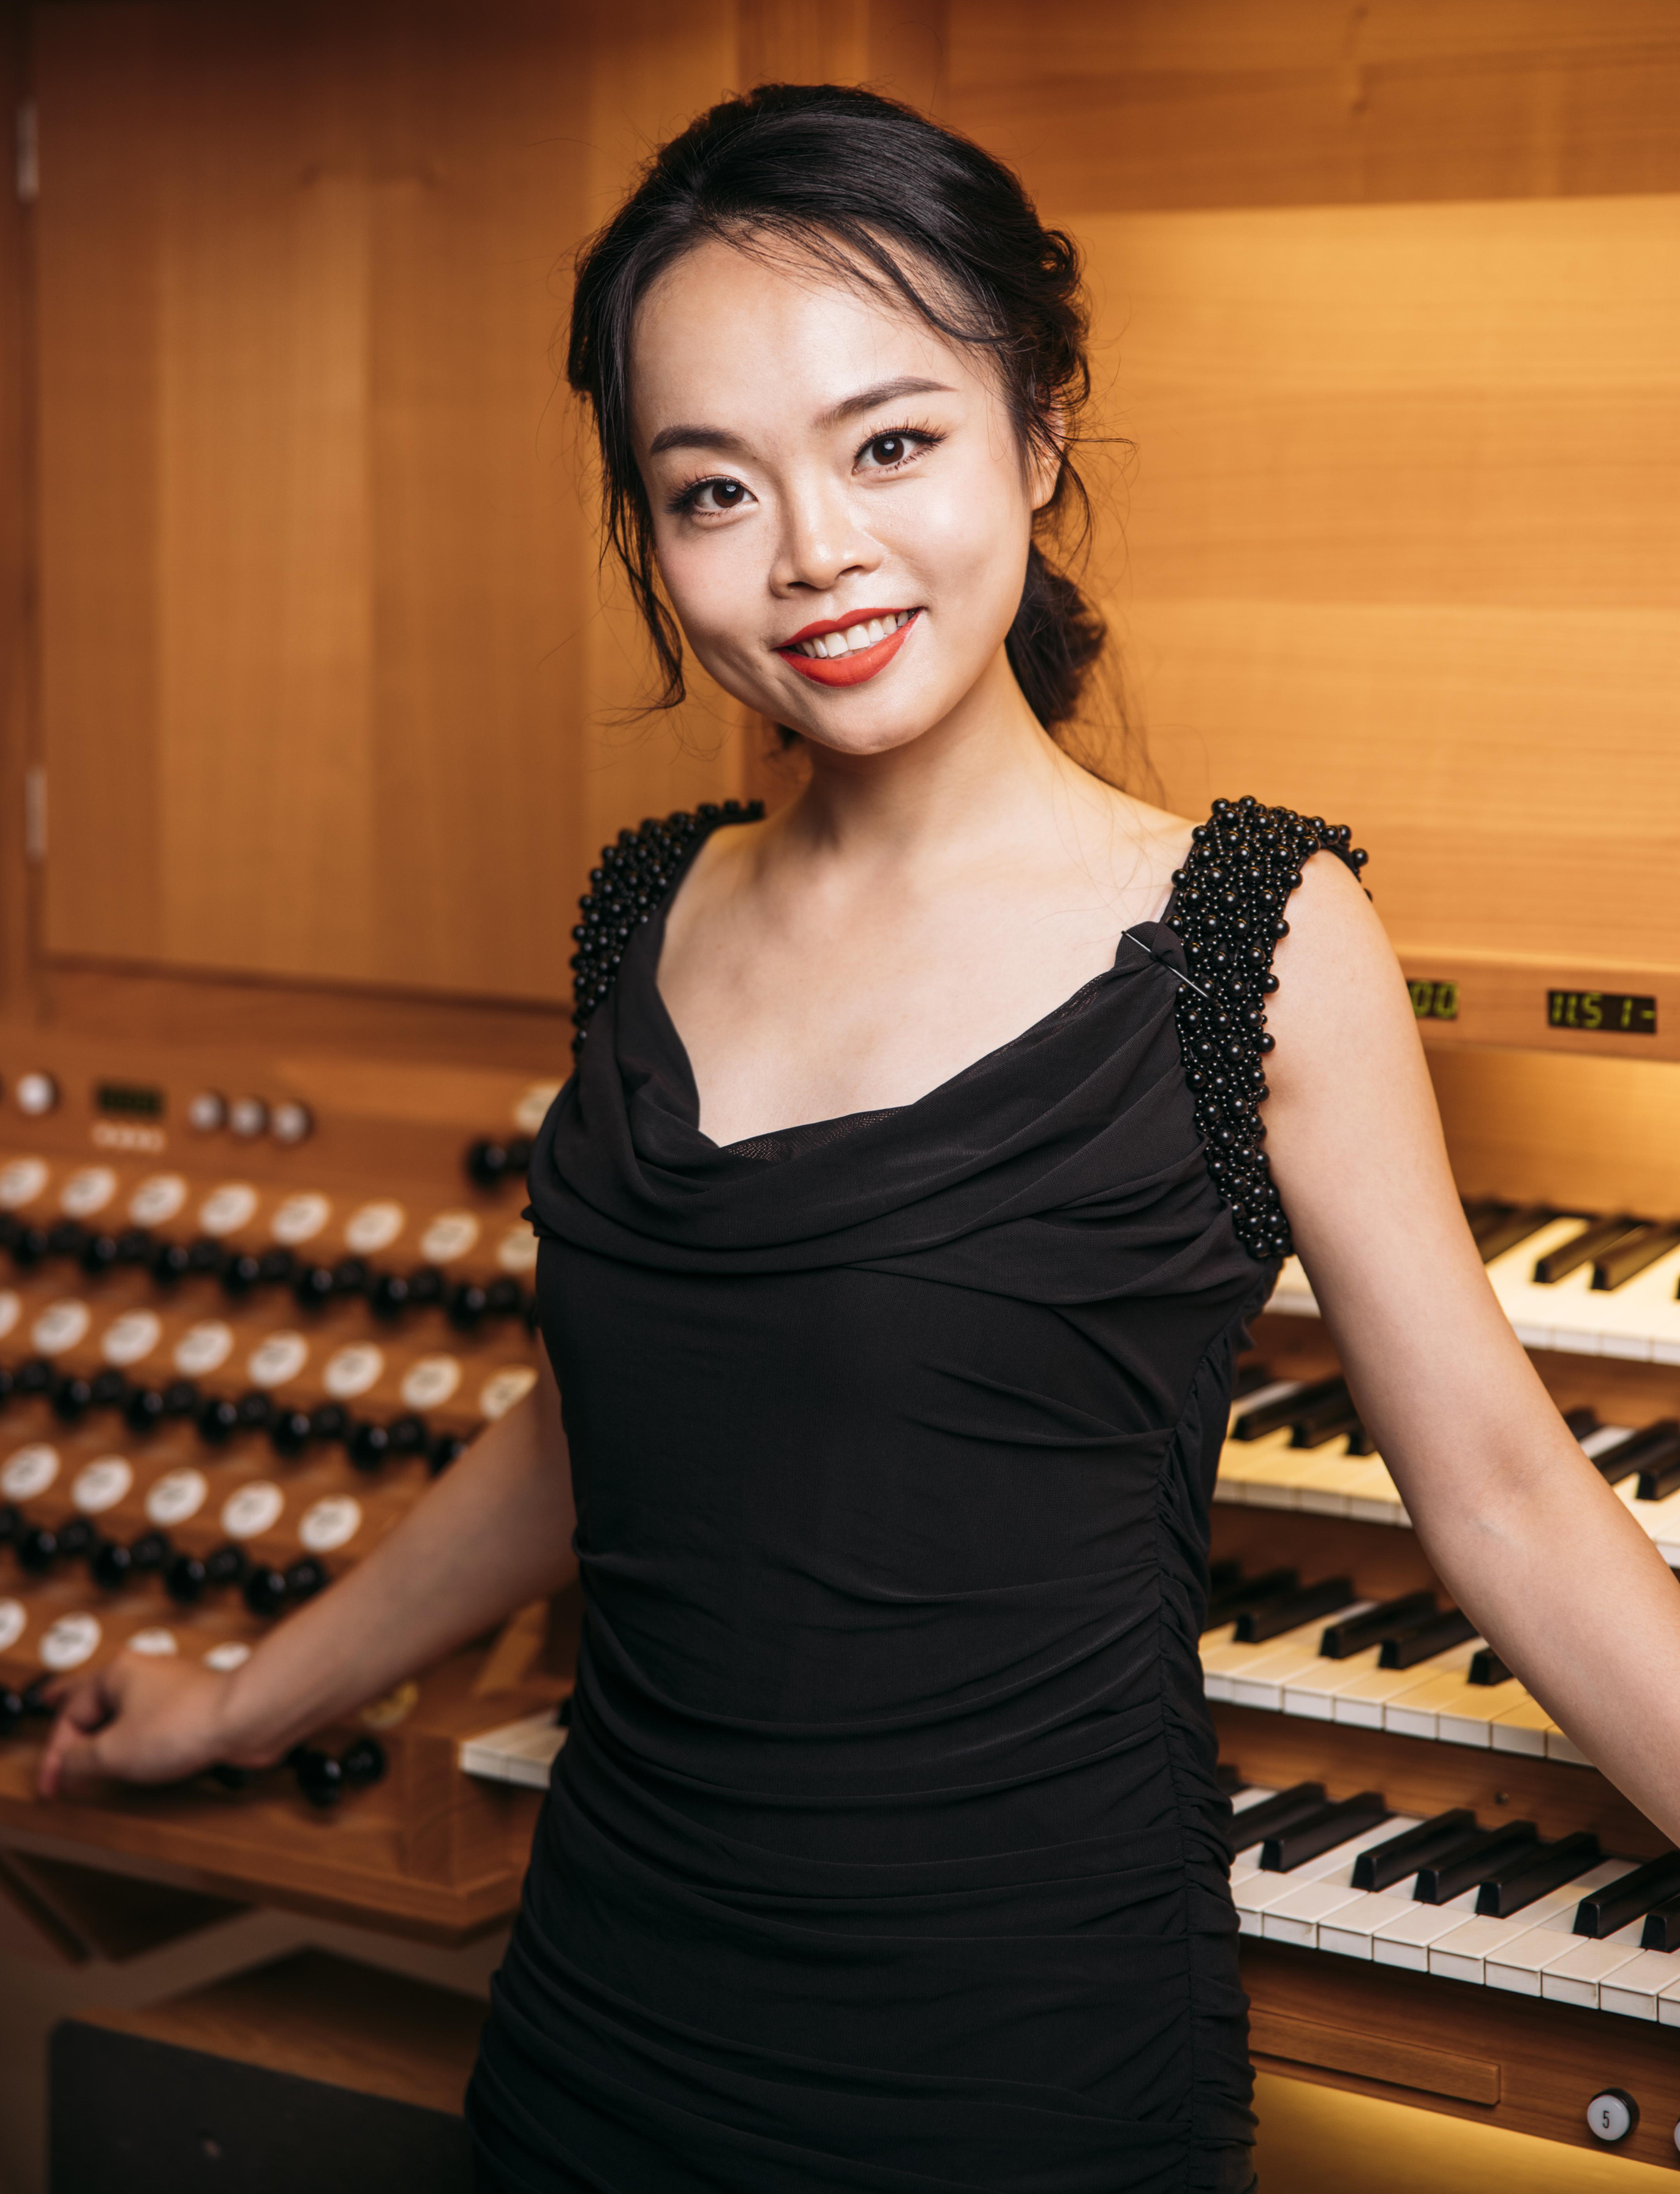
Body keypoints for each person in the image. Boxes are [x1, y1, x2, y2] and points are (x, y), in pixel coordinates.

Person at [39, 81, 1680, 2194]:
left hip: (1023, 2079)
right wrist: (249, 1702)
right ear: (648, 534)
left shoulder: (1251, 935)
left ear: (1040, 428)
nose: (813, 551)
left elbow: (1514, 1507)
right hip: (600, 2034)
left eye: (889, 444)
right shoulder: (647, 910)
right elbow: (602, 1429)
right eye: (715, 489)